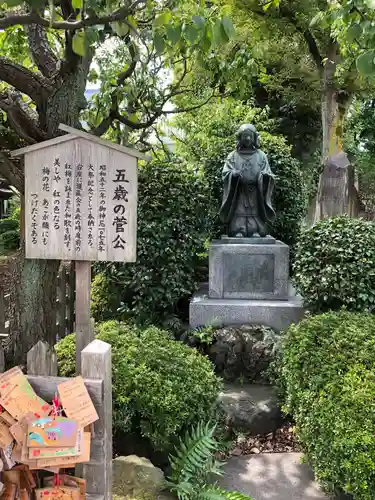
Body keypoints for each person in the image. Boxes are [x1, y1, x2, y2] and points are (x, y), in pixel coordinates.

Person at [219, 123, 276, 237]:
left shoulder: (261, 156)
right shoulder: (233, 156)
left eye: (250, 136)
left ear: (255, 137)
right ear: (240, 137)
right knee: (239, 210)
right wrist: (233, 175)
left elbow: (268, 172)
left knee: (255, 211)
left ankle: (256, 231)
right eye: (244, 136)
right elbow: (226, 173)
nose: (247, 138)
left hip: (255, 190)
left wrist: (264, 177)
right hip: (239, 190)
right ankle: (238, 230)